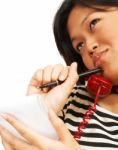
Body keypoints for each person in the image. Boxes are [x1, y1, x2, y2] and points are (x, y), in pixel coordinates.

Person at [0, 0, 118, 149]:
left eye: (93, 23)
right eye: (79, 45)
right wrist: (37, 112)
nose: (88, 47)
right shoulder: (67, 102)